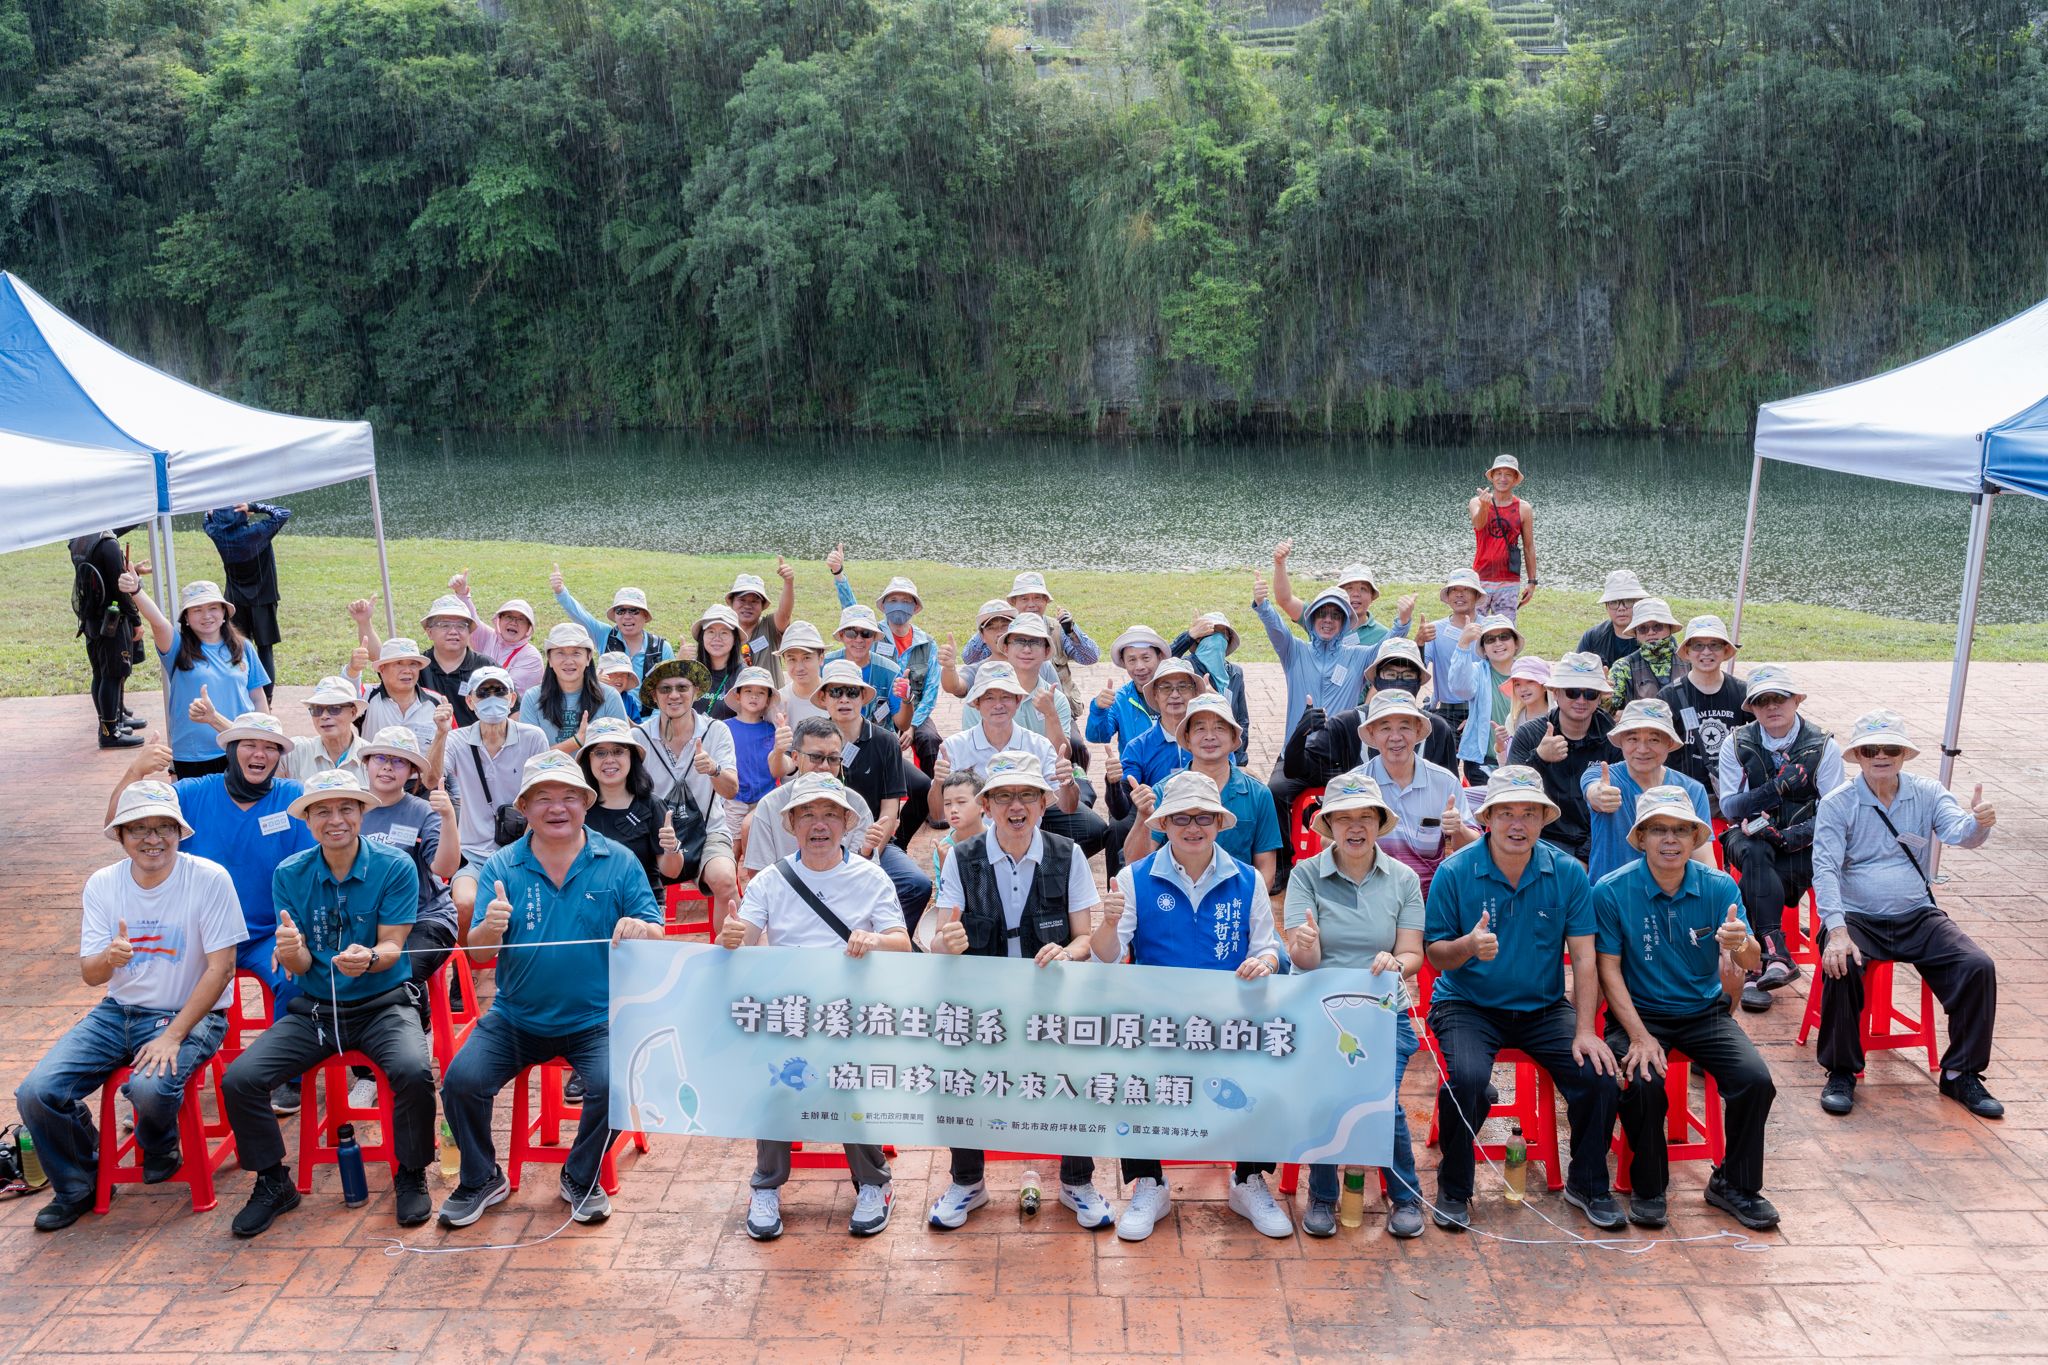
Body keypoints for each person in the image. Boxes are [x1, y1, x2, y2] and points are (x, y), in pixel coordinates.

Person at [437, 752, 665, 1228]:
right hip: (516, 1017)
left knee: (617, 1084)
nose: (556, 808)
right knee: (461, 1081)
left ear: (587, 802)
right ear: (524, 806)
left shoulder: (617, 860)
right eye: (543, 798)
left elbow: (656, 930)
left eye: (568, 797)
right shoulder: (503, 864)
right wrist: (489, 929)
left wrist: (642, 929)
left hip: (596, 1020)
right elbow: (478, 957)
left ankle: (581, 1177)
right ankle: (481, 1178)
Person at [15, 780, 243, 1231]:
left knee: (148, 1088)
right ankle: (80, 1181)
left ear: (180, 833)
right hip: (116, 1012)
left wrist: (173, 1034)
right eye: (138, 829)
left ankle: (158, 1140)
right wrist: (110, 957)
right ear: (120, 836)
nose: (152, 839)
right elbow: (92, 974)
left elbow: (223, 969)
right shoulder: (103, 884)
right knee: (36, 1093)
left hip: (190, 1012)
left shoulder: (209, 878)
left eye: (163, 828)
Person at [219, 770, 436, 1237]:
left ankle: (411, 1172)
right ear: (308, 820)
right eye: (322, 811)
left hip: (383, 1004)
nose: (335, 820)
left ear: (361, 814)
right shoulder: (290, 873)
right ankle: (274, 1181)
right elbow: (296, 964)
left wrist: (371, 958)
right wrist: (291, 948)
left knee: (414, 1071)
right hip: (316, 1010)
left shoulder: (394, 866)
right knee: (240, 1078)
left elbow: (395, 946)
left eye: (345, 809)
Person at [1089, 771, 1287, 1242]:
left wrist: (1264, 961)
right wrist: (1108, 922)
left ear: (1219, 823)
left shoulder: (1247, 880)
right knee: (1130, 1068)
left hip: (1230, 1019)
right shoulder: (1133, 879)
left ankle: (1248, 1178)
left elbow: (1267, 946)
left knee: (1265, 1064)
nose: (1193, 827)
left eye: (1203, 817)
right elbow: (1106, 957)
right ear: (1164, 824)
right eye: (1181, 818)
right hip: (1161, 1021)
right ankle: (1149, 1182)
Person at [1424, 765, 1622, 1233]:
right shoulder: (1455, 872)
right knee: (1467, 1079)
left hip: (1543, 1007)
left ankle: (1589, 1182)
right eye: (1506, 813)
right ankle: (1454, 1187)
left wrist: (1586, 1029)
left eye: (1529, 814)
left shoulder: (1568, 873)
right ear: (1487, 817)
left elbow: (1585, 957)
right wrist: (1469, 946)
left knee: (1599, 1074)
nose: (1518, 824)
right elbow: (1436, 953)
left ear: (1543, 819)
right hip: (1467, 1004)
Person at [924, 752, 1112, 1230]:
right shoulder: (961, 858)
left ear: (1045, 802)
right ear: (986, 805)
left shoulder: (1065, 854)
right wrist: (946, 942)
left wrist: (1068, 954)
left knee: (1080, 1069)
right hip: (984, 1002)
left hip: (1050, 998)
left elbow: (1085, 938)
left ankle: (1077, 1182)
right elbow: (939, 940)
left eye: (1027, 793)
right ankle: (967, 1182)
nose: (1016, 805)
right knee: (956, 1071)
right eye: (1004, 795)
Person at [720, 773, 909, 1240]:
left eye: (829, 814)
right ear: (791, 823)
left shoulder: (870, 877)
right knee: (775, 1079)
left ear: (847, 822)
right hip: (792, 1012)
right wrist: (729, 940)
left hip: (854, 1014)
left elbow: (902, 945)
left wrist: (875, 940)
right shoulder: (771, 881)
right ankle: (765, 1186)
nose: (818, 824)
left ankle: (873, 1183)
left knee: (848, 1081)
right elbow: (739, 943)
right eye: (807, 814)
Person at [1595, 787, 1779, 1231]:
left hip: (1703, 1012)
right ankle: (1649, 1186)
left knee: (1755, 1081)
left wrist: (1743, 944)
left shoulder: (1719, 887)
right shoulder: (1612, 890)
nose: (1670, 840)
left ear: (1696, 837)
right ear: (1641, 838)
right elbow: (1608, 973)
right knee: (1642, 1083)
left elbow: (1752, 961)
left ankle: (1734, 1183)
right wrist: (1639, 1035)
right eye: (1659, 829)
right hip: (1638, 1013)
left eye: (1681, 829)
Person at [109, 714, 313, 1114]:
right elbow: (116, 824)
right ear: (230, 750)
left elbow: (309, 871)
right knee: (149, 979)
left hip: (264, 932)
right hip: (198, 933)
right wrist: (135, 770)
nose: (261, 753)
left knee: (295, 974)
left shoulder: (292, 796)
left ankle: (288, 1075)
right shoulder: (191, 793)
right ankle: (153, 1079)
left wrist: (293, 934)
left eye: (271, 746)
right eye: (250, 744)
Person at [1811, 710, 2003, 1120]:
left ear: (1904, 755)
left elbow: (1960, 833)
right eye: (1871, 749)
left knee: (1977, 966)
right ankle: (1841, 1070)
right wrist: (1837, 930)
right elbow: (1824, 868)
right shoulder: (1837, 803)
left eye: (1891, 748)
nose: (1881, 756)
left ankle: (1960, 1072)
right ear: (1858, 756)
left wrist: (1979, 822)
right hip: (1857, 916)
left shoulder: (1928, 792)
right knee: (1840, 962)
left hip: (1917, 912)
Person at [1282, 768, 1426, 1239]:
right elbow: (1305, 959)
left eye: (1366, 816)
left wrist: (1395, 961)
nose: (1356, 826)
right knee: (1328, 1094)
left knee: (1382, 1099)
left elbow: (1413, 952)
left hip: (1386, 1011)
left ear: (1379, 822)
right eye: (1344, 818)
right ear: (1329, 827)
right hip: (1322, 1010)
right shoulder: (1306, 874)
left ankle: (1406, 1195)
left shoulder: (1402, 878)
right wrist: (1303, 942)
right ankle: (1322, 1196)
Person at [1715, 665, 1843, 1013]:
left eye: (1780, 698)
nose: (1772, 707)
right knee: (1755, 853)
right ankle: (1775, 956)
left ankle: (1760, 967)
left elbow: (1835, 815)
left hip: (1804, 845)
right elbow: (1730, 808)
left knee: (1759, 876)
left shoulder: (1824, 747)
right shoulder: (1736, 742)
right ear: (1752, 708)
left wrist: (1787, 837)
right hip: (1750, 838)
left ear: (1797, 700)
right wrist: (1775, 788)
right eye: (1762, 701)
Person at [1253, 569, 1378, 877]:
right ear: (1310, 619)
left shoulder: (1358, 656)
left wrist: (1403, 623)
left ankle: (1355, 863)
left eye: (1335, 615)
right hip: (1296, 753)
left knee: (1365, 797)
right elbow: (1277, 629)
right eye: (1321, 614)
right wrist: (1263, 605)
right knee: (1274, 793)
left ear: (1344, 622)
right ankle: (1282, 864)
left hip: (1340, 755)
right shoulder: (1295, 651)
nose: (1327, 620)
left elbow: (1387, 650)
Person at [936, 663, 1105, 861]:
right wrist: (939, 782)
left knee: (1093, 830)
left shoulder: (1039, 745)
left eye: (1006, 696)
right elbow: (938, 813)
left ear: (1019, 701)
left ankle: (1048, 861)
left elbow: (1067, 807)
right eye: (989, 697)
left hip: (1026, 834)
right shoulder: (954, 747)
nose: (998, 705)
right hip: (976, 844)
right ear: (976, 703)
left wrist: (1067, 782)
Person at [812, 658, 931, 930]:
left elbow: (890, 811)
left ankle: (892, 940)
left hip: (873, 842)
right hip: (821, 842)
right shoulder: (813, 738)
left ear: (863, 698)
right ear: (824, 698)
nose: (844, 699)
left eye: (852, 692)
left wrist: (868, 856)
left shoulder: (885, 741)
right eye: (835, 692)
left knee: (917, 885)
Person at [1120, 694, 1283, 887]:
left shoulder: (1258, 795)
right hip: (1174, 900)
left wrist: (1250, 904)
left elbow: (1266, 870)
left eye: (1219, 728)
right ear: (1187, 739)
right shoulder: (1163, 791)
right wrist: (1143, 816)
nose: (1209, 736)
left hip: (1233, 905)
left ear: (1233, 739)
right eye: (1200, 728)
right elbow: (1135, 864)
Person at [442, 666, 555, 937]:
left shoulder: (533, 737)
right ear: (470, 701)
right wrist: (439, 733)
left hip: (525, 850)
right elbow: (431, 777)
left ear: (512, 699)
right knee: (464, 903)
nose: (492, 698)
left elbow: (544, 795)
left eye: (499, 691)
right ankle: (470, 975)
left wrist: (524, 849)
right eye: (483, 693)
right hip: (472, 854)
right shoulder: (456, 740)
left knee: (537, 906)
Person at [633, 660, 740, 927]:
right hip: (655, 835)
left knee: (726, 882)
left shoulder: (716, 731)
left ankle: (729, 962)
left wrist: (714, 770)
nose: (674, 695)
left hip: (707, 830)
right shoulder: (638, 737)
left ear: (695, 692)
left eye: (682, 687)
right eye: (665, 689)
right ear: (655, 697)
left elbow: (732, 789)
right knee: (627, 885)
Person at [130, 579, 271, 779]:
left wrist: (263, 739)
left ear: (224, 613)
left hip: (240, 749)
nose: (206, 616)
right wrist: (136, 591)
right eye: (197, 610)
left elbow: (257, 697)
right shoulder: (176, 647)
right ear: (186, 618)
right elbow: (158, 622)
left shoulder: (244, 647)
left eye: (213, 608)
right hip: (193, 755)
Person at [1287, 638, 1460, 789]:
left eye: (1407, 675)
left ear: (1418, 683)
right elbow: (1295, 770)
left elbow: (1450, 789)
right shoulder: (1347, 724)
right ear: (1376, 680)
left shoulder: (1437, 729)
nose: (1398, 682)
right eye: (1390, 674)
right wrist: (1300, 734)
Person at [1580, 699, 1715, 884]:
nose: (1642, 749)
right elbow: (1593, 790)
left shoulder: (1692, 790)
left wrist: (1715, 898)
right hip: (1610, 899)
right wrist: (1599, 795)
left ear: (1669, 743)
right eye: (1633, 739)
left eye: (1654, 739)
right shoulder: (1603, 777)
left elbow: (1704, 858)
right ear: (1621, 741)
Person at [1506, 652, 1621, 864]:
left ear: (1599, 698)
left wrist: (1584, 857)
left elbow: (1619, 808)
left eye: (1590, 694)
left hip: (1598, 841)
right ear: (1556, 693)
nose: (1581, 700)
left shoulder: (1612, 738)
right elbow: (1509, 794)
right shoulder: (1530, 734)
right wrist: (1539, 758)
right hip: (1541, 841)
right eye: (1572, 692)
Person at [1358, 692, 1478, 896]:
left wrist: (1457, 829)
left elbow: (1474, 846)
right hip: (1370, 897)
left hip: (1428, 896)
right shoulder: (1357, 784)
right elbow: (1328, 843)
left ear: (1417, 730)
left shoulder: (1444, 782)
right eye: (1385, 728)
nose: (1396, 737)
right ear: (1372, 733)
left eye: (1405, 727)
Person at [743, 717, 879, 880]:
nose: (825, 766)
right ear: (795, 757)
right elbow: (759, 875)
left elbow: (867, 874)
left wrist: (866, 853)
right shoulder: (771, 805)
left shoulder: (856, 805)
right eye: (816, 757)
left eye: (833, 758)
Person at [832, 571, 940, 771]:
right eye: (893, 600)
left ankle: (931, 794)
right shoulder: (870, 634)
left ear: (915, 607)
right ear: (884, 605)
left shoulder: (928, 643)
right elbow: (853, 613)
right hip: (875, 707)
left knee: (931, 740)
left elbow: (932, 691)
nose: (899, 605)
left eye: (905, 601)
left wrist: (913, 727)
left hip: (911, 709)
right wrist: (839, 576)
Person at [576, 717, 681, 893]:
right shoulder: (578, 808)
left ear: (631, 757)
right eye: (600, 753)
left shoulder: (652, 806)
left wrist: (672, 848)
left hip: (642, 907)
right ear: (589, 760)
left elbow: (672, 872)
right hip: (589, 905)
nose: (609, 760)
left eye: (618, 751)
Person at [202, 501, 291, 700]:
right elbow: (283, 513)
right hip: (264, 599)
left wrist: (212, 513)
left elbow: (206, 521)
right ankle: (266, 698)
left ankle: (242, 693)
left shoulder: (218, 534)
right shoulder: (258, 533)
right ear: (242, 514)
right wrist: (253, 506)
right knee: (264, 649)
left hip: (235, 601)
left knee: (239, 647)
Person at [70, 528, 145, 748]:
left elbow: (100, 573)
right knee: (112, 675)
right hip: (112, 619)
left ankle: (111, 725)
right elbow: (119, 586)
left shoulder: (78, 539)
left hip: (91, 618)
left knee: (101, 674)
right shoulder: (108, 543)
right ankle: (110, 732)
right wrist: (136, 619)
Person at [1660, 615, 1747, 805]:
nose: (1706, 652)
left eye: (1714, 645)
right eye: (1698, 645)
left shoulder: (1742, 693)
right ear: (1688, 651)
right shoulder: (1668, 697)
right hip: (1684, 797)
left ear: (1725, 650)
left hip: (1732, 795)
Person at [1271, 542, 1404, 648]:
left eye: (1363, 589)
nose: (1356, 594)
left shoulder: (1382, 635)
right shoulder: (1319, 617)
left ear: (1372, 597)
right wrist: (1279, 563)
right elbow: (1285, 600)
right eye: (1349, 589)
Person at [550, 570, 672, 681]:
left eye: (634, 610)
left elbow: (670, 684)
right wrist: (560, 592)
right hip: (609, 704)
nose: (627, 616)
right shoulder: (605, 635)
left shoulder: (661, 648)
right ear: (615, 616)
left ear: (645, 616)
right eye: (620, 611)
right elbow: (580, 616)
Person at [1449, 615, 1528, 784]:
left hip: (1523, 758)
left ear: (1515, 644)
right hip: (1484, 762)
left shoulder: (1527, 673)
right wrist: (1463, 644)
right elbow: (1459, 688)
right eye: (1490, 640)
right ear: (1484, 649)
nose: (1498, 643)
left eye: (1504, 637)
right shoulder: (1478, 671)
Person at [521, 623, 626, 749]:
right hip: (548, 770)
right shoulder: (532, 698)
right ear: (549, 659)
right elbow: (529, 755)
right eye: (560, 653)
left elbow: (622, 748)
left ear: (588, 658)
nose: (569, 661)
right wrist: (576, 742)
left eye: (576, 653)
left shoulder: (609, 697)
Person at [351, 637, 447, 766]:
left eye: (412, 664)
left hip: (424, 783)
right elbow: (342, 698)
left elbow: (451, 747)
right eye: (399, 663)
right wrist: (353, 671)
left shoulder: (437, 702)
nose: (407, 670)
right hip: (375, 782)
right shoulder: (366, 696)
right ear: (382, 669)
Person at [1168, 612, 1252, 761]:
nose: (1217, 639)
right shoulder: (1186, 668)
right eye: (1210, 634)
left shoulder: (1235, 673)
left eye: (1222, 634)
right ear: (1198, 640)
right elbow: (1161, 663)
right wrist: (1188, 636)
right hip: (1192, 753)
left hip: (1226, 754)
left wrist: (1239, 759)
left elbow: (1242, 720)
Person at [1467, 453, 1537, 619]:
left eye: (1508, 474)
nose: (1503, 479)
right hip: (1480, 578)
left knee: (1505, 632)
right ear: (1492, 477)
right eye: (1498, 474)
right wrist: (1485, 506)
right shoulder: (1476, 502)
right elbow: (1479, 525)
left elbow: (1528, 547)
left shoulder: (1523, 508)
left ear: (1514, 479)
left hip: (1509, 581)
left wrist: (1532, 582)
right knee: (1475, 631)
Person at [451, 573, 543, 693]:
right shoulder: (489, 637)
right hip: (477, 702)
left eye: (521, 619)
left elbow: (508, 692)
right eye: (508, 617)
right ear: (499, 620)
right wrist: (462, 593)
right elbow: (471, 619)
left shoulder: (532, 658)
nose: (513, 623)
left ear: (528, 629)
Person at [1085, 625, 1169, 755]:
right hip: (1134, 772)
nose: (1139, 666)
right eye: (1132, 660)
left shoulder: (1176, 693)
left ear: (1159, 657)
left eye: (1146, 658)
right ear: (1123, 662)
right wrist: (1098, 710)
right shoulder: (1119, 700)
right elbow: (1097, 736)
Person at [720, 666, 779, 840]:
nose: (754, 696)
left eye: (761, 693)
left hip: (765, 798)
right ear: (738, 696)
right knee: (733, 844)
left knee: (761, 845)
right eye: (748, 691)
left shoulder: (772, 729)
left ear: (768, 699)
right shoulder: (725, 727)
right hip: (734, 798)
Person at [1422, 569, 1485, 731]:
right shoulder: (1435, 629)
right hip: (1446, 711)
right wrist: (1419, 642)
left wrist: (1480, 714)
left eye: (1466, 590)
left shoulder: (1490, 629)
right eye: (1454, 590)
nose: (1459, 595)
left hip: (1483, 709)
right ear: (1448, 597)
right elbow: (1419, 667)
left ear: (1477, 595)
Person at [1604, 598, 1682, 709]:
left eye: (1657, 626)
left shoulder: (1691, 661)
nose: (1651, 632)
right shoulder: (1622, 667)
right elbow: (1608, 712)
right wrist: (1604, 698)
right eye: (1643, 628)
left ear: (1669, 627)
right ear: (1636, 633)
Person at [726, 564, 796, 681]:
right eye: (742, 600)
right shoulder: (723, 631)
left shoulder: (769, 626)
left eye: (754, 601)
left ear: (762, 606)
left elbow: (785, 614)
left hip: (771, 698)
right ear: (732, 602)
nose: (747, 606)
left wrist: (788, 582)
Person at [927, 771, 985, 890]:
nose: (953, 809)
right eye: (947, 803)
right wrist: (946, 866)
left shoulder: (998, 840)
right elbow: (944, 897)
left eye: (961, 802)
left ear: (983, 805)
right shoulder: (944, 849)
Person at [1578, 570, 1647, 668]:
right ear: (1606, 606)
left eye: (1628, 601)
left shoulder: (1656, 636)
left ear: (1639, 603)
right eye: (1614, 602)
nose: (1621, 608)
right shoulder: (1592, 637)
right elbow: (1578, 670)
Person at [690, 603, 747, 714]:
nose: (717, 638)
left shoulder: (743, 676)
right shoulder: (690, 670)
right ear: (702, 636)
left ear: (735, 639)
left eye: (724, 633)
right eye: (711, 632)